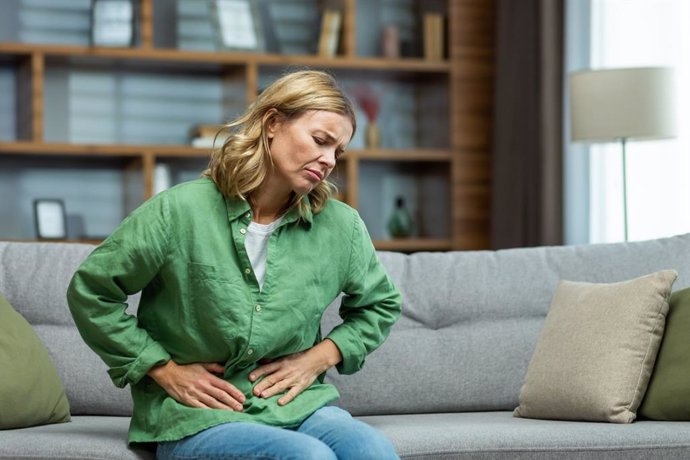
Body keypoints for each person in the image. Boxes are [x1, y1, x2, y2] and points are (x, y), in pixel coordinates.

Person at [67, 70, 402, 460]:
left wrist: (320, 357)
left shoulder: (341, 226)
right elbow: (92, 292)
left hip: (298, 406)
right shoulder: (179, 210)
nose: (328, 160)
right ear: (273, 123)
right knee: (307, 458)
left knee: (371, 449)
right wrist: (161, 368)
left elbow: (380, 304)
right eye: (320, 141)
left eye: (338, 152)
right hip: (199, 415)